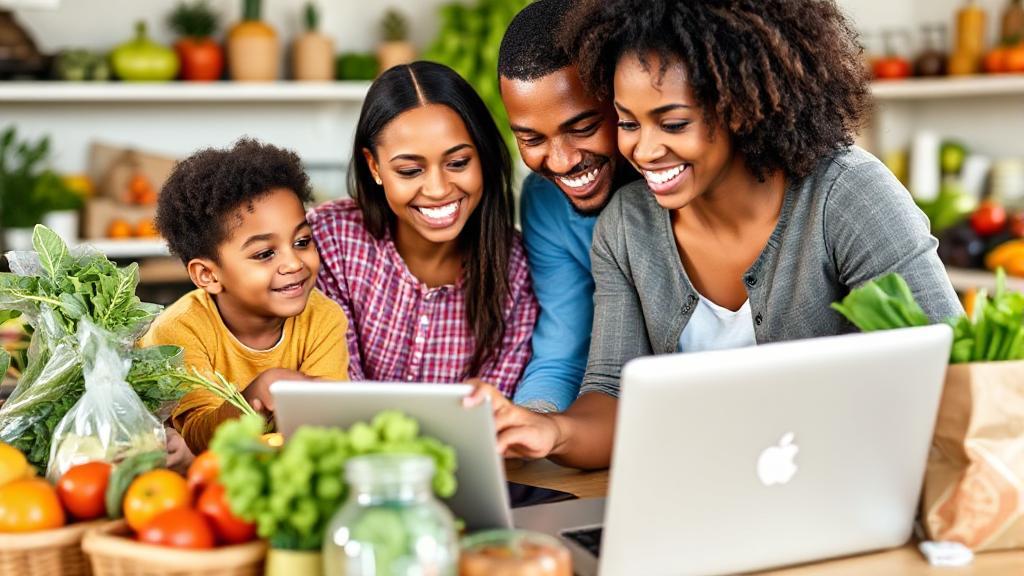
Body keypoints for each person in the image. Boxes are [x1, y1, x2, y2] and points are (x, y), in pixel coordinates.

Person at [469, 0, 963, 469]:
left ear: (741, 104)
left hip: (853, 488)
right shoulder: (626, 224)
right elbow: (612, 393)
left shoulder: (848, 196)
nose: (644, 149)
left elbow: (955, 366)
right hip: (700, 494)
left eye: (674, 122)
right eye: (627, 122)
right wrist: (552, 431)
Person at [308, 61, 537, 395]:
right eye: (410, 171)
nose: (438, 188)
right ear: (374, 166)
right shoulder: (329, 242)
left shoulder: (517, 269)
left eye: (458, 163)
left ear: (483, 156)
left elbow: (491, 414)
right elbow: (337, 392)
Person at [140, 138, 350, 453]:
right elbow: (196, 439)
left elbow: (332, 425)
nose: (294, 263)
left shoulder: (324, 318)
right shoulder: (179, 330)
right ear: (208, 275)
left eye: (302, 241)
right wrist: (254, 399)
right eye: (265, 253)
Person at [496, 0, 639, 413]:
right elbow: (563, 354)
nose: (560, 161)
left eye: (583, 128)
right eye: (531, 139)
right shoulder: (544, 201)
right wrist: (533, 422)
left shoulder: (674, 182)